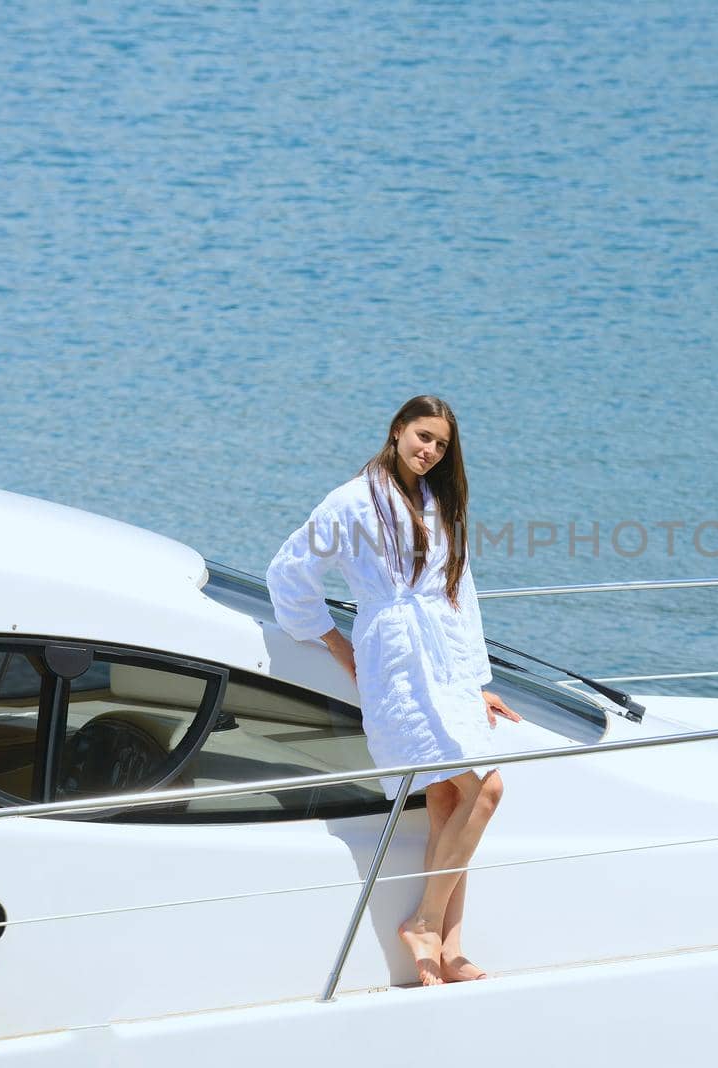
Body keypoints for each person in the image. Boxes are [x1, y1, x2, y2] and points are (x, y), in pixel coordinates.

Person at [265, 394, 522, 986]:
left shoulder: (436, 501)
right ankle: (424, 924)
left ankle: (450, 948)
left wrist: (476, 682)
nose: (429, 451)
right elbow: (290, 568)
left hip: (447, 666)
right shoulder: (354, 500)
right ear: (398, 429)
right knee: (487, 788)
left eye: (440, 445)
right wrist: (334, 641)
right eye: (422, 436)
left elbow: (461, 597)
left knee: (447, 799)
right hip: (398, 666)